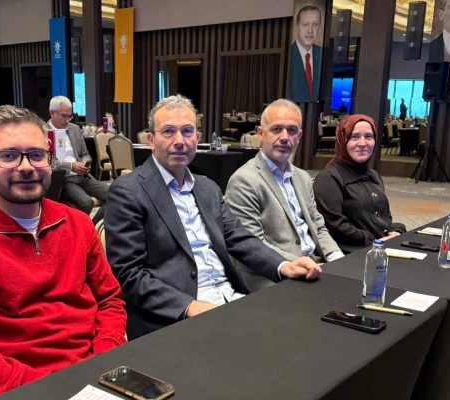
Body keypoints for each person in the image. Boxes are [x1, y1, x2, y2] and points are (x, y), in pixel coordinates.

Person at [0, 105, 126, 400]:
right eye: (8, 156)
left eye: (36, 155)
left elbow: (109, 301)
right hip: (21, 390)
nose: (27, 166)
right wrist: (47, 388)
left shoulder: (77, 223)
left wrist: (103, 360)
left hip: (96, 377)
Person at [104, 95, 322, 340]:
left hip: (230, 299)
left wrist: (283, 265)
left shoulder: (207, 188)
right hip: (174, 316)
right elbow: (128, 274)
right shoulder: (129, 191)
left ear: (197, 138)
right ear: (151, 141)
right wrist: (188, 306)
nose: (179, 141)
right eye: (168, 131)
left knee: (303, 332)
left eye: (187, 131)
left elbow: (239, 238)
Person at [226, 99, 343, 291]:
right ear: (260, 134)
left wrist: (337, 259)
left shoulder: (303, 178)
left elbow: (318, 227)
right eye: (276, 129)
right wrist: (299, 265)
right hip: (273, 275)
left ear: (299, 136)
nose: (284, 137)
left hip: (315, 267)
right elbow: (252, 244)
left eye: (291, 130)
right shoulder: (244, 181)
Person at [312, 114, 406, 254]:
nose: (362, 143)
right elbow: (334, 226)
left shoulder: (374, 175)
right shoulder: (329, 179)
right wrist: (375, 240)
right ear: (343, 140)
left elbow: (382, 218)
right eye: (354, 137)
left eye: (368, 136)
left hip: (379, 251)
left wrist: (394, 232)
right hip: (349, 256)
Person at [49, 96, 108, 224]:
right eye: (64, 116)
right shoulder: (44, 132)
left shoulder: (74, 129)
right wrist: (71, 166)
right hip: (64, 179)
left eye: (69, 116)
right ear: (52, 113)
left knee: (115, 194)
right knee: (86, 202)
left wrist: (85, 162)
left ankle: (93, 226)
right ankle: (77, 230)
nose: (67, 120)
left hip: (84, 176)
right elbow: (48, 162)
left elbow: (85, 154)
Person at [287, 5, 322, 102]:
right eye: (305, 24)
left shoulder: (322, 55)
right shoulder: (288, 55)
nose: (310, 30)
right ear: (297, 26)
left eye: (315, 24)